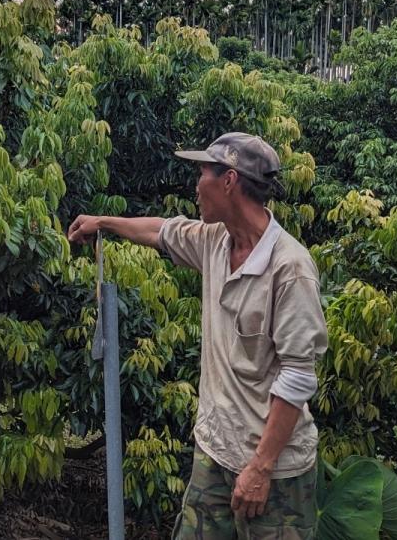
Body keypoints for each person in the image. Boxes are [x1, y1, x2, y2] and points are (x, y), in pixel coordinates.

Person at [68, 132, 327, 540]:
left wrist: (260, 466)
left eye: (202, 172)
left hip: (274, 472)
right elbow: (160, 231)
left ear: (229, 181)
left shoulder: (290, 269)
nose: (195, 184)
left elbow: (297, 376)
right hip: (215, 451)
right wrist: (102, 223)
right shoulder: (214, 241)